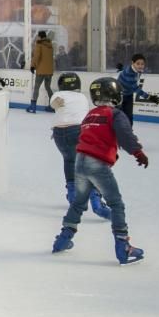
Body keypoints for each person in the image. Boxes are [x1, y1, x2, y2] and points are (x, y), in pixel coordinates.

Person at [51, 77, 148, 265]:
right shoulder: (115, 115)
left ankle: (62, 239)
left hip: (79, 162)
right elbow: (126, 136)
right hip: (97, 164)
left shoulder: (90, 114)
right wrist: (138, 153)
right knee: (116, 204)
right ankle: (123, 246)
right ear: (115, 95)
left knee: (78, 203)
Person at [50, 72, 111, 219]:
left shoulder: (58, 94)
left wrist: (57, 104)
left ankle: (73, 196)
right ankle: (97, 203)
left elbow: (55, 103)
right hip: (78, 131)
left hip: (59, 133)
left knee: (69, 160)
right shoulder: (82, 97)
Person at [116, 53, 159, 124]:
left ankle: (128, 134)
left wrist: (122, 68)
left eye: (142, 64)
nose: (140, 66)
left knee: (129, 119)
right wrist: (149, 97)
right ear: (133, 63)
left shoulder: (135, 69)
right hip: (119, 96)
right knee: (120, 119)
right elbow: (135, 88)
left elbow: (127, 67)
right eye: (138, 63)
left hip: (128, 95)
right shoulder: (129, 74)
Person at [28, 30, 54, 113]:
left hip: (41, 71)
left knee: (36, 88)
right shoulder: (50, 45)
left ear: (40, 36)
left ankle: (33, 106)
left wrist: (32, 66)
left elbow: (36, 56)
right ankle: (52, 106)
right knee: (48, 87)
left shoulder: (39, 44)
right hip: (49, 70)